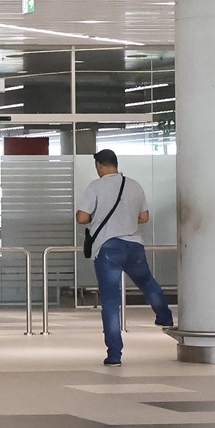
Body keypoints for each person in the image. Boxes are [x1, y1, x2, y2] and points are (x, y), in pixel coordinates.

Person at [77, 148, 173, 365]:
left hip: (108, 248)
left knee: (111, 302)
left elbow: (82, 217)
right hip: (133, 246)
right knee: (147, 282)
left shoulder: (96, 186)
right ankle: (164, 316)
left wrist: (97, 217)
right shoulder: (134, 185)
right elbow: (144, 217)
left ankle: (114, 355)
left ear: (99, 165)